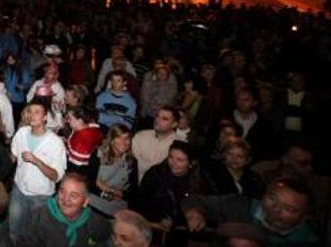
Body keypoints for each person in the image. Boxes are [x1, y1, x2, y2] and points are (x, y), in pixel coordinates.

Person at [183, 177, 318, 245]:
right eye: (272, 198)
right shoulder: (238, 205)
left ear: (304, 216)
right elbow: (194, 200)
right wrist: (194, 212)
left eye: (289, 209)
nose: (275, 209)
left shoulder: (307, 241)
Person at [7, 97, 66, 246]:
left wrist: (37, 161)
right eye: (30, 112)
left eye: (37, 112)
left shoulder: (55, 142)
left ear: (45, 117)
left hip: (41, 197)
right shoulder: (21, 133)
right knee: (13, 230)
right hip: (18, 191)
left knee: (34, 236)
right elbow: (12, 157)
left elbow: (56, 176)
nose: (32, 115)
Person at [29, 173, 111, 247]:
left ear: (85, 202)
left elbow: (105, 240)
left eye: (73, 195)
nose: (65, 199)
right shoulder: (41, 216)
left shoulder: (95, 222)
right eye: (62, 191)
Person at [87, 124, 138, 217]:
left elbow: (134, 191)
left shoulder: (132, 161)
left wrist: (111, 190)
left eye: (127, 138)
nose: (124, 142)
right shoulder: (98, 155)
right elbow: (90, 184)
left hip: (118, 205)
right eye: (119, 137)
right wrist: (108, 195)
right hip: (95, 200)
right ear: (111, 140)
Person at [131, 105, 183, 182]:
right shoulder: (141, 136)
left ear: (174, 124)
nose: (157, 120)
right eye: (157, 116)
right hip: (134, 183)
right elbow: (132, 164)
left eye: (164, 119)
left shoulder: (179, 145)